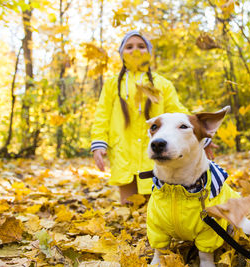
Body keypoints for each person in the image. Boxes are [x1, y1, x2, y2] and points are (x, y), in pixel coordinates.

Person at [91, 30, 215, 204]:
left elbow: (180, 113)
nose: (135, 50)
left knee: (156, 201)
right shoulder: (113, 85)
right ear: (121, 54)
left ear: (149, 53)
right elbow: (101, 116)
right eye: (129, 47)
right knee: (127, 204)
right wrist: (98, 143)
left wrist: (202, 136)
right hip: (122, 150)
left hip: (156, 150)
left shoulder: (162, 84)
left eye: (141, 46)